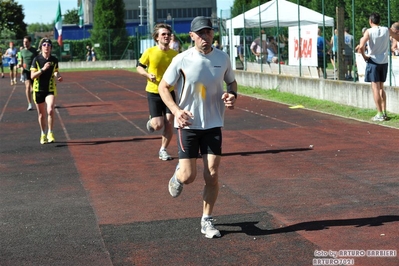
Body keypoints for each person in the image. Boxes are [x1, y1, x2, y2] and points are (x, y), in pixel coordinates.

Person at [158, 16, 237, 238]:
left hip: (213, 125)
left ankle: (207, 220)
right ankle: (178, 176)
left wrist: (232, 95)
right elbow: (164, 87)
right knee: (189, 177)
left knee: (212, 173)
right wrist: (175, 111)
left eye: (208, 32)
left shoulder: (223, 58)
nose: (205, 37)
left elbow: (232, 82)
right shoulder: (182, 60)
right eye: (200, 33)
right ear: (191, 36)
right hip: (188, 125)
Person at [136, 23, 178, 161]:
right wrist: (148, 75)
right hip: (154, 92)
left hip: (169, 91)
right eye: (163, 34)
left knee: (169, 121)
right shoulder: (150, 52)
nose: (166, 36)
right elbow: (139, 67)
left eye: (168, 34)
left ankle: (163, 149)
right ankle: (151, 122)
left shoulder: (175, 54)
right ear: (157, 38)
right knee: (158, 125)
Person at [357, 14, 399, 121]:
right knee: (381, 88)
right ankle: (384, 112)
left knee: (375, 87)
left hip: (373, 61)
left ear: (370, 21)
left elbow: (361, 46)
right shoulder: (386, 29)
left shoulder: (369, 31)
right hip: (384, 61)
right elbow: (397, 37)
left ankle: (379, 113)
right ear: (379, 21)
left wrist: (365, 56)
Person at [30, 38, 63, 144]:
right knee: (41, 114)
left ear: (51, 48)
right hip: (38, 89)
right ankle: (42, 133)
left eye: (48, 45)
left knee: (50, 110)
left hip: (50, 88)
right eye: (44, 44)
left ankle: (50, 132)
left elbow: (55, 72)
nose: (46, 46)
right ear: (41, 47)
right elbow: (32, 76)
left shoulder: (54, 60)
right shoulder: (36, 59)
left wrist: (58, 75)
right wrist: (43, 69)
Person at [19, 36, 39, 111]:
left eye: (26, 42)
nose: (25, 43)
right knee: (27, 87)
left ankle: (37, 101)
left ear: (30, 42)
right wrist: (19, 65)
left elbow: (38, 60)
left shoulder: (34, 50)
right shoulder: (22, 51)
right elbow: (21, 62)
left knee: (33, 89)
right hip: (26, 71)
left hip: (34, 71)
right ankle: (29, 104)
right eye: (24, 42)